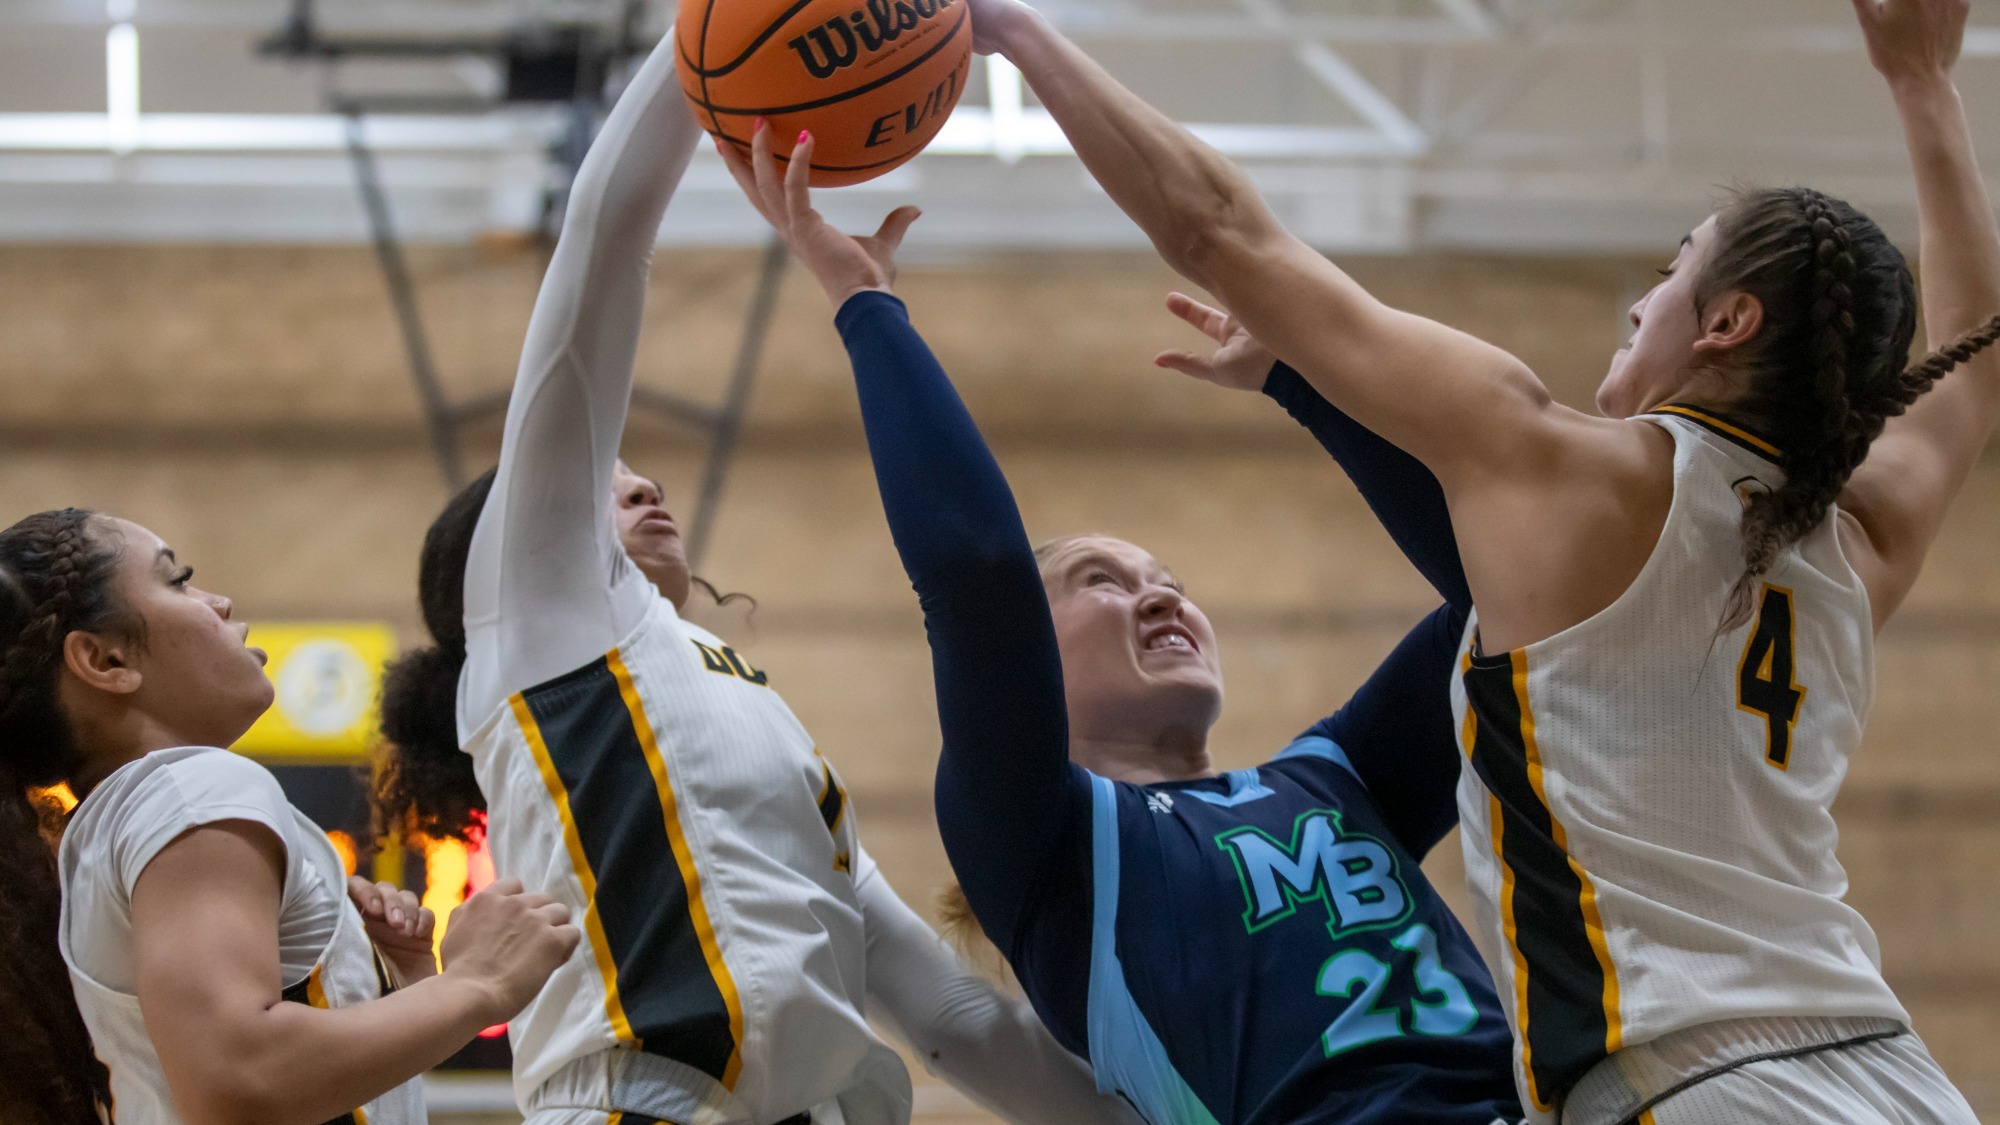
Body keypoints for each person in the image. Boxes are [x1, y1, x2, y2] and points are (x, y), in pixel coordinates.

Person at [964, 0, 1998, 1118]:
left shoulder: (1554, 462)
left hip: (1689, 1080)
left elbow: (1221, 230)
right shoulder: (1858, 539)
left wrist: (1015, 33)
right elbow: (1974, 371)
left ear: (1724, 323)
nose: (1642, 296)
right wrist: (1924, 90)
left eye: (1672, 268)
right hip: (1895, 1070)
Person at [370, 29, 1141, 1125]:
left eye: (642, 475)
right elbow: (599, 253)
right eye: (605, 483)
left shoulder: (760, 723)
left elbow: (952, 1020)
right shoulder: (539, 616)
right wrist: (702, 39)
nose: (641, 492)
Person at [719, 125, 1525, 1125]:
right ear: (1026, 655)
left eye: (1170, 580)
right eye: (1100, 580)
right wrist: (862, 303)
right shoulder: (1048, 847)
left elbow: (1505, 585)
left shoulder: (1332, 778)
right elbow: (973, 570)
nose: (1160, 596)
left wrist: (1302, 383)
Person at [0, 507, 578, 1125]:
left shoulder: (120, 824)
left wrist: (391, 988)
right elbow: (235, 1083)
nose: (218, 601)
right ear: (105, 661)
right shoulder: (191, 788)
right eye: (178, 580)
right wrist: (476, 984)